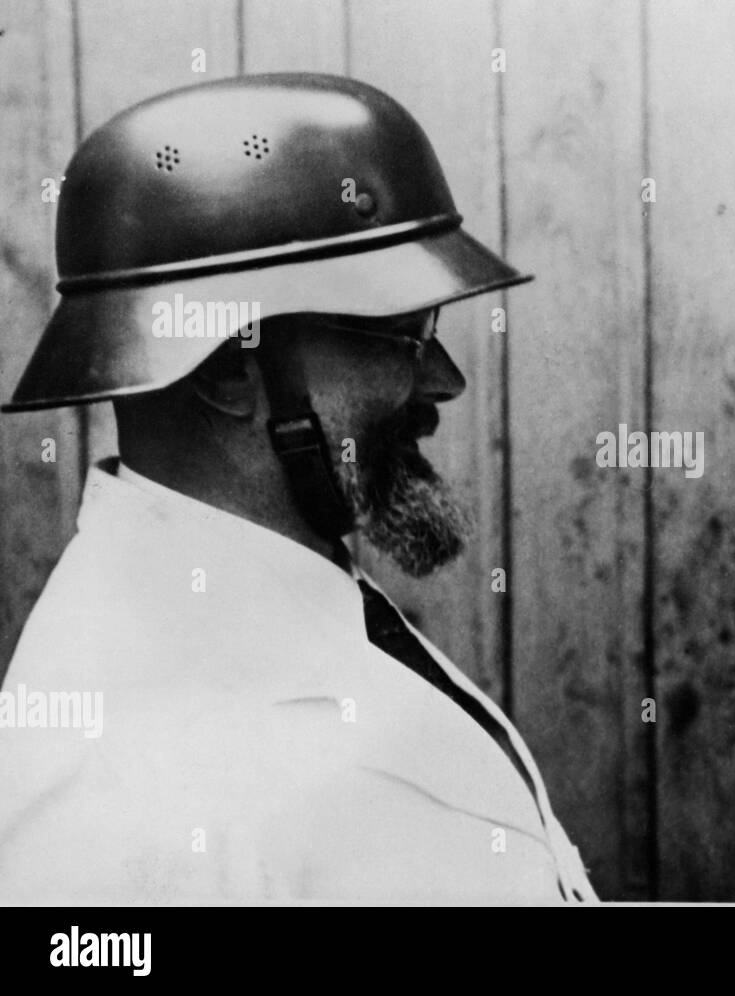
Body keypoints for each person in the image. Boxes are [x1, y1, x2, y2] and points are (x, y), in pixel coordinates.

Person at [0, 73, 593, 903]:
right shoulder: (122, 778)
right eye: (400, 337)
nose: (445, 382)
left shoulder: (278, 596)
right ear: (231, 369)